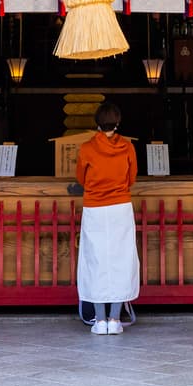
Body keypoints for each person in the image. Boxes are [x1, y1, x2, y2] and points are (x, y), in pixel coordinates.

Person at [74, 99, 138, 335]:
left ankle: (100, 320)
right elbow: (131, 178)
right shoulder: (128, 147)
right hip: (121, 207)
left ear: (97, 123)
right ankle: (115, 319)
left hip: (95, 209)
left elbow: (81, 178)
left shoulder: (87, 148)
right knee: (121, 260)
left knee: (95, 261)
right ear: (118, 123)